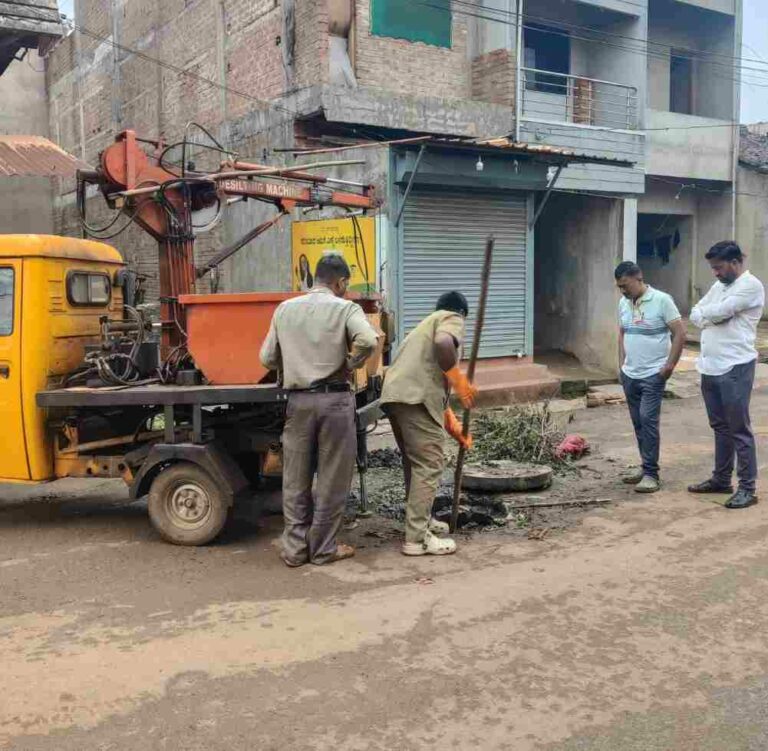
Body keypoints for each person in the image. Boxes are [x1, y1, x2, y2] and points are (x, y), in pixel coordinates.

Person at [260, 253, 378, 566]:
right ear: (340, 282)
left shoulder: (285, 309)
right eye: (346, 285)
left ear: (316, 277)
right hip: (335, 401)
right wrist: (351, 363)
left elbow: (266, 358)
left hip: (298, 402)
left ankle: (295, 549)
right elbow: (368, 340)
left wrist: (293, 363)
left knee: (295, 478)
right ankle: (323, 548)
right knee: (332, 478)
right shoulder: (345, 308)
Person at [380, 291, 478, 556]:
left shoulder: (422, 328)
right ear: (461, 314)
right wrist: (459, 380)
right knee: (430, 463)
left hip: (397, 397)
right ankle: (417, 538)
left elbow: (433, 387)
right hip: (414, 398)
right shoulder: (452, 318)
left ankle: (420, 522)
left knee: (415, 463)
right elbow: (445, 343)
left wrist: (455, 427)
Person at [689, 241, 765, 509]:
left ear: (735, 263)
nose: (716, 273)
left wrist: (710, 315)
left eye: (719, 267)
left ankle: (748, 488)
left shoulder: (750, 285)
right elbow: (695, 312)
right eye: (713, 268)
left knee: (738, 429)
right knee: (720, 427)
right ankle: (721, 479)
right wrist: (711, 315)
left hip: (735, 366)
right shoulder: (719, 286)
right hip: (709, 366)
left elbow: (721, 311)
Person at [615, 261, 685, 493]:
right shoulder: (624, 303)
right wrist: (621, 364)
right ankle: (645, 466)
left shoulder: (662, 300)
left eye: (625, 286)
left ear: (639, 278)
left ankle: (651, 475)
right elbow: (622, 333)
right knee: (638, 422)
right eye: (619, 287)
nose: (623, 291)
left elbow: (680, 333)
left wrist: (669, 366)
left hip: (653, 374)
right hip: (630, 374)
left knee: (648, 420)